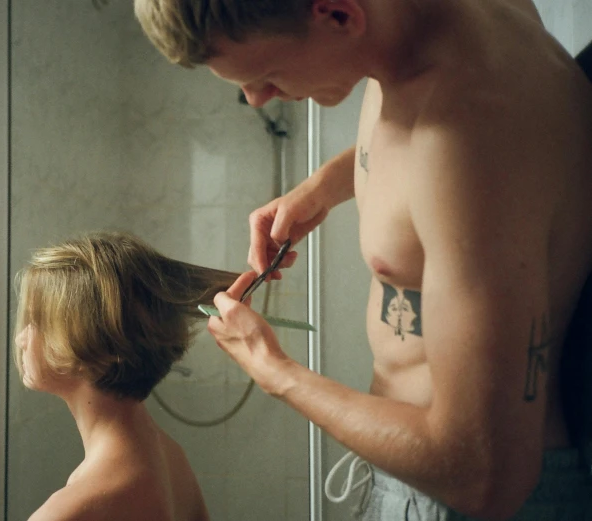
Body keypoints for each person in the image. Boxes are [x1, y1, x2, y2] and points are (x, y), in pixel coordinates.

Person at [134, 0, 592, 519]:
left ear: (336, 15)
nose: (257, 101)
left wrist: (275, 370)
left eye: (267, 74)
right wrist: (325, 186)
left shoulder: (468, 132)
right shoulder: (455, 25)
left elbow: (484, 476)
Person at [13, 231, 238, 521]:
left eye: (34, 321)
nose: (22, 338)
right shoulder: (170, 459)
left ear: (85, 343)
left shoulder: (69, 511)